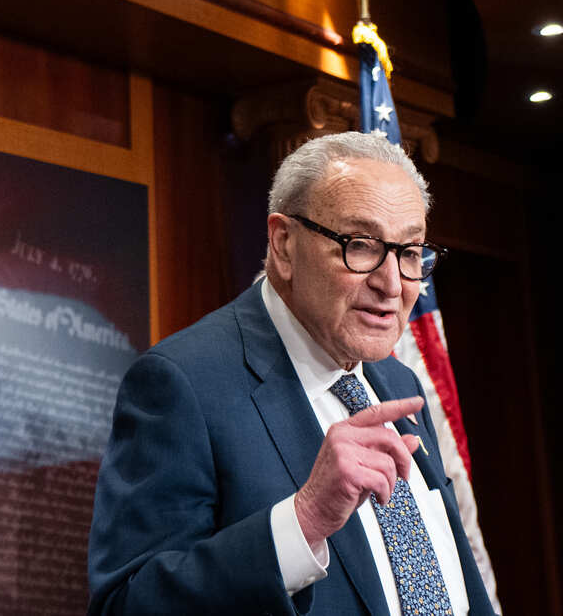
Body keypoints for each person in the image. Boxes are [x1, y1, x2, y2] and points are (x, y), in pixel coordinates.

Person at [88, 132, 496, 615]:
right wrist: (302, 522)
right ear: (283, 244)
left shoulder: (398, 381)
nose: (392, 284)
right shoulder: (183, 383)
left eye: (409, 253)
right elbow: (128, 603)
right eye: (361, 245)